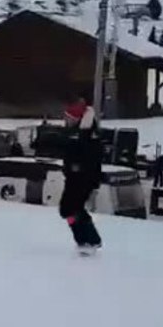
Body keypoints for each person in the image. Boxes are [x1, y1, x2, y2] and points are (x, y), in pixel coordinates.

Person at [59, 100, 104, 254]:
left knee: (72, 209)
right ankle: (87, 239)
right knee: (68, 210)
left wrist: (78, 167)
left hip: (83, 178)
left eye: (69, 118)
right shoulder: (75, 131)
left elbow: (94, 157)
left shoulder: (88, 133)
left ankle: (89, 240)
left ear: (77, 118)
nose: (66, 121)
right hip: (73, 177)